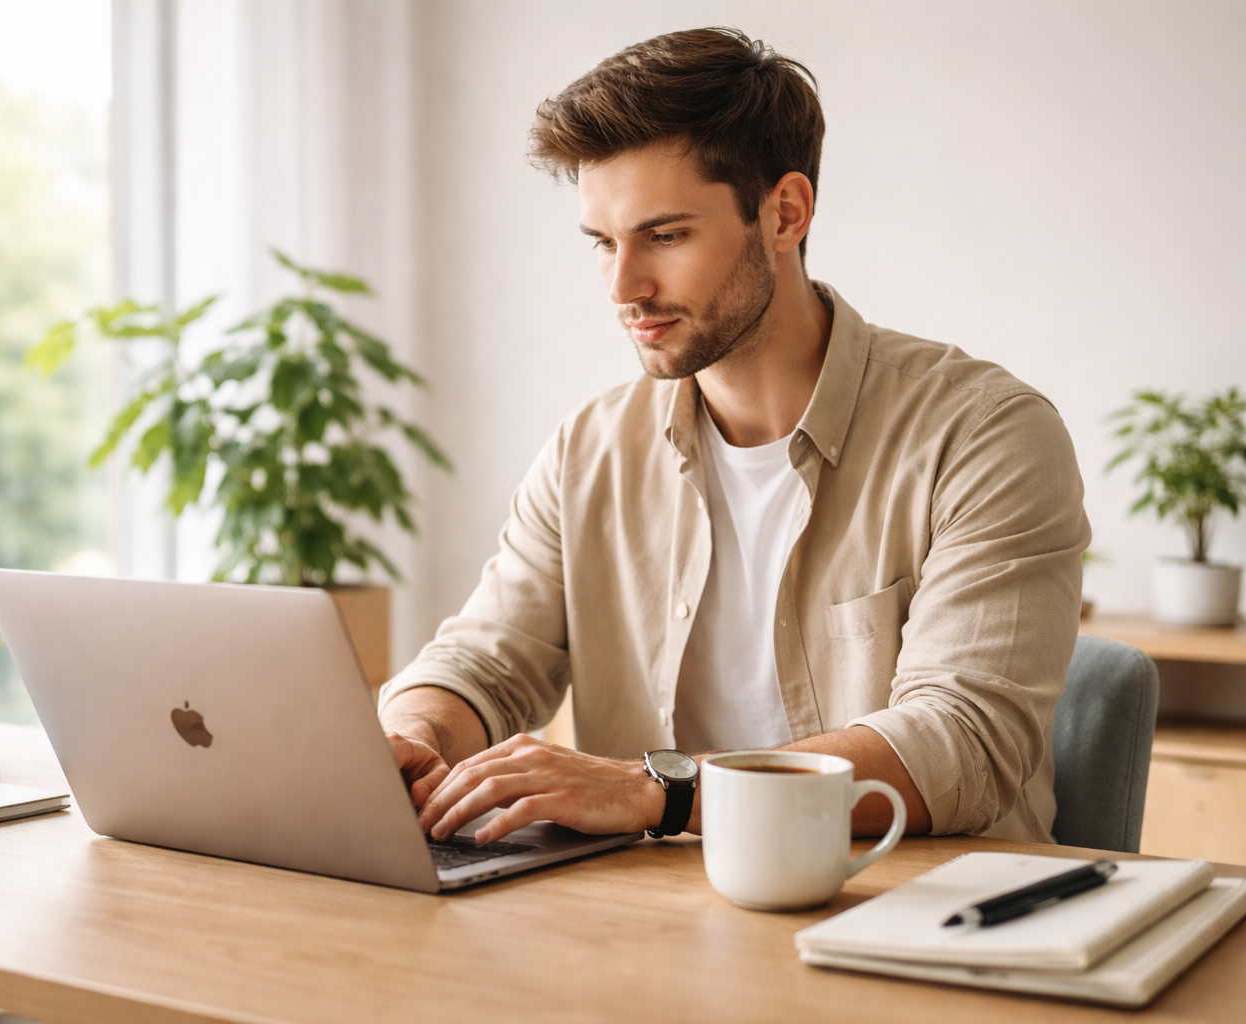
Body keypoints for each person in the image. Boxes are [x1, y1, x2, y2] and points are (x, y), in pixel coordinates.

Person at [378, 27, 1088, 847]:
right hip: (654, 928)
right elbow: (483, 664)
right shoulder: (590, 450)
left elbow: (962, 741)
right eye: (603, 243)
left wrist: (661, 792)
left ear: (784, 213)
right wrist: (418, 737)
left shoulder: (985, 435)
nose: (624, 286)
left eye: (666, 236)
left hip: (918, 925)